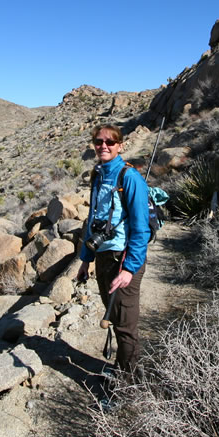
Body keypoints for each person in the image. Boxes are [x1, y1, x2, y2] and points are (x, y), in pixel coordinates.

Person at [76, 124, 150, 374]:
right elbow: (92, 216)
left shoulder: (129, 177)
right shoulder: (97, 173)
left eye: (110, 142)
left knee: (125, 325)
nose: (103, 146)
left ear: (120, 145)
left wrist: (129, 269)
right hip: (103, 256)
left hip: (124, 259)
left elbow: (141, 229)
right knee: (115, 318)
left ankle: (126, 386)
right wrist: (85, 260)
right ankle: (121, 370)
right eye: (98, 142)